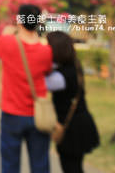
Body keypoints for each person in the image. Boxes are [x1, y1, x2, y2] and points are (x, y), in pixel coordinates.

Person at [0, 4, 53, 173]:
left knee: (10, 164)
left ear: (19, 21)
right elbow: (47, 71)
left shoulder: (6, 42)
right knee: (40, 164)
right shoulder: (46, 51)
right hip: (37, 115)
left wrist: (6, 34)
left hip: (11, 113)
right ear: (37, 23)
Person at [45, 32, 100, 173]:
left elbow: (39, 84)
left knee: (71, 167)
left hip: (71, 129)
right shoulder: (74, 65)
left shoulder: (60, 77)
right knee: (75, 167)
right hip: (81, 122)